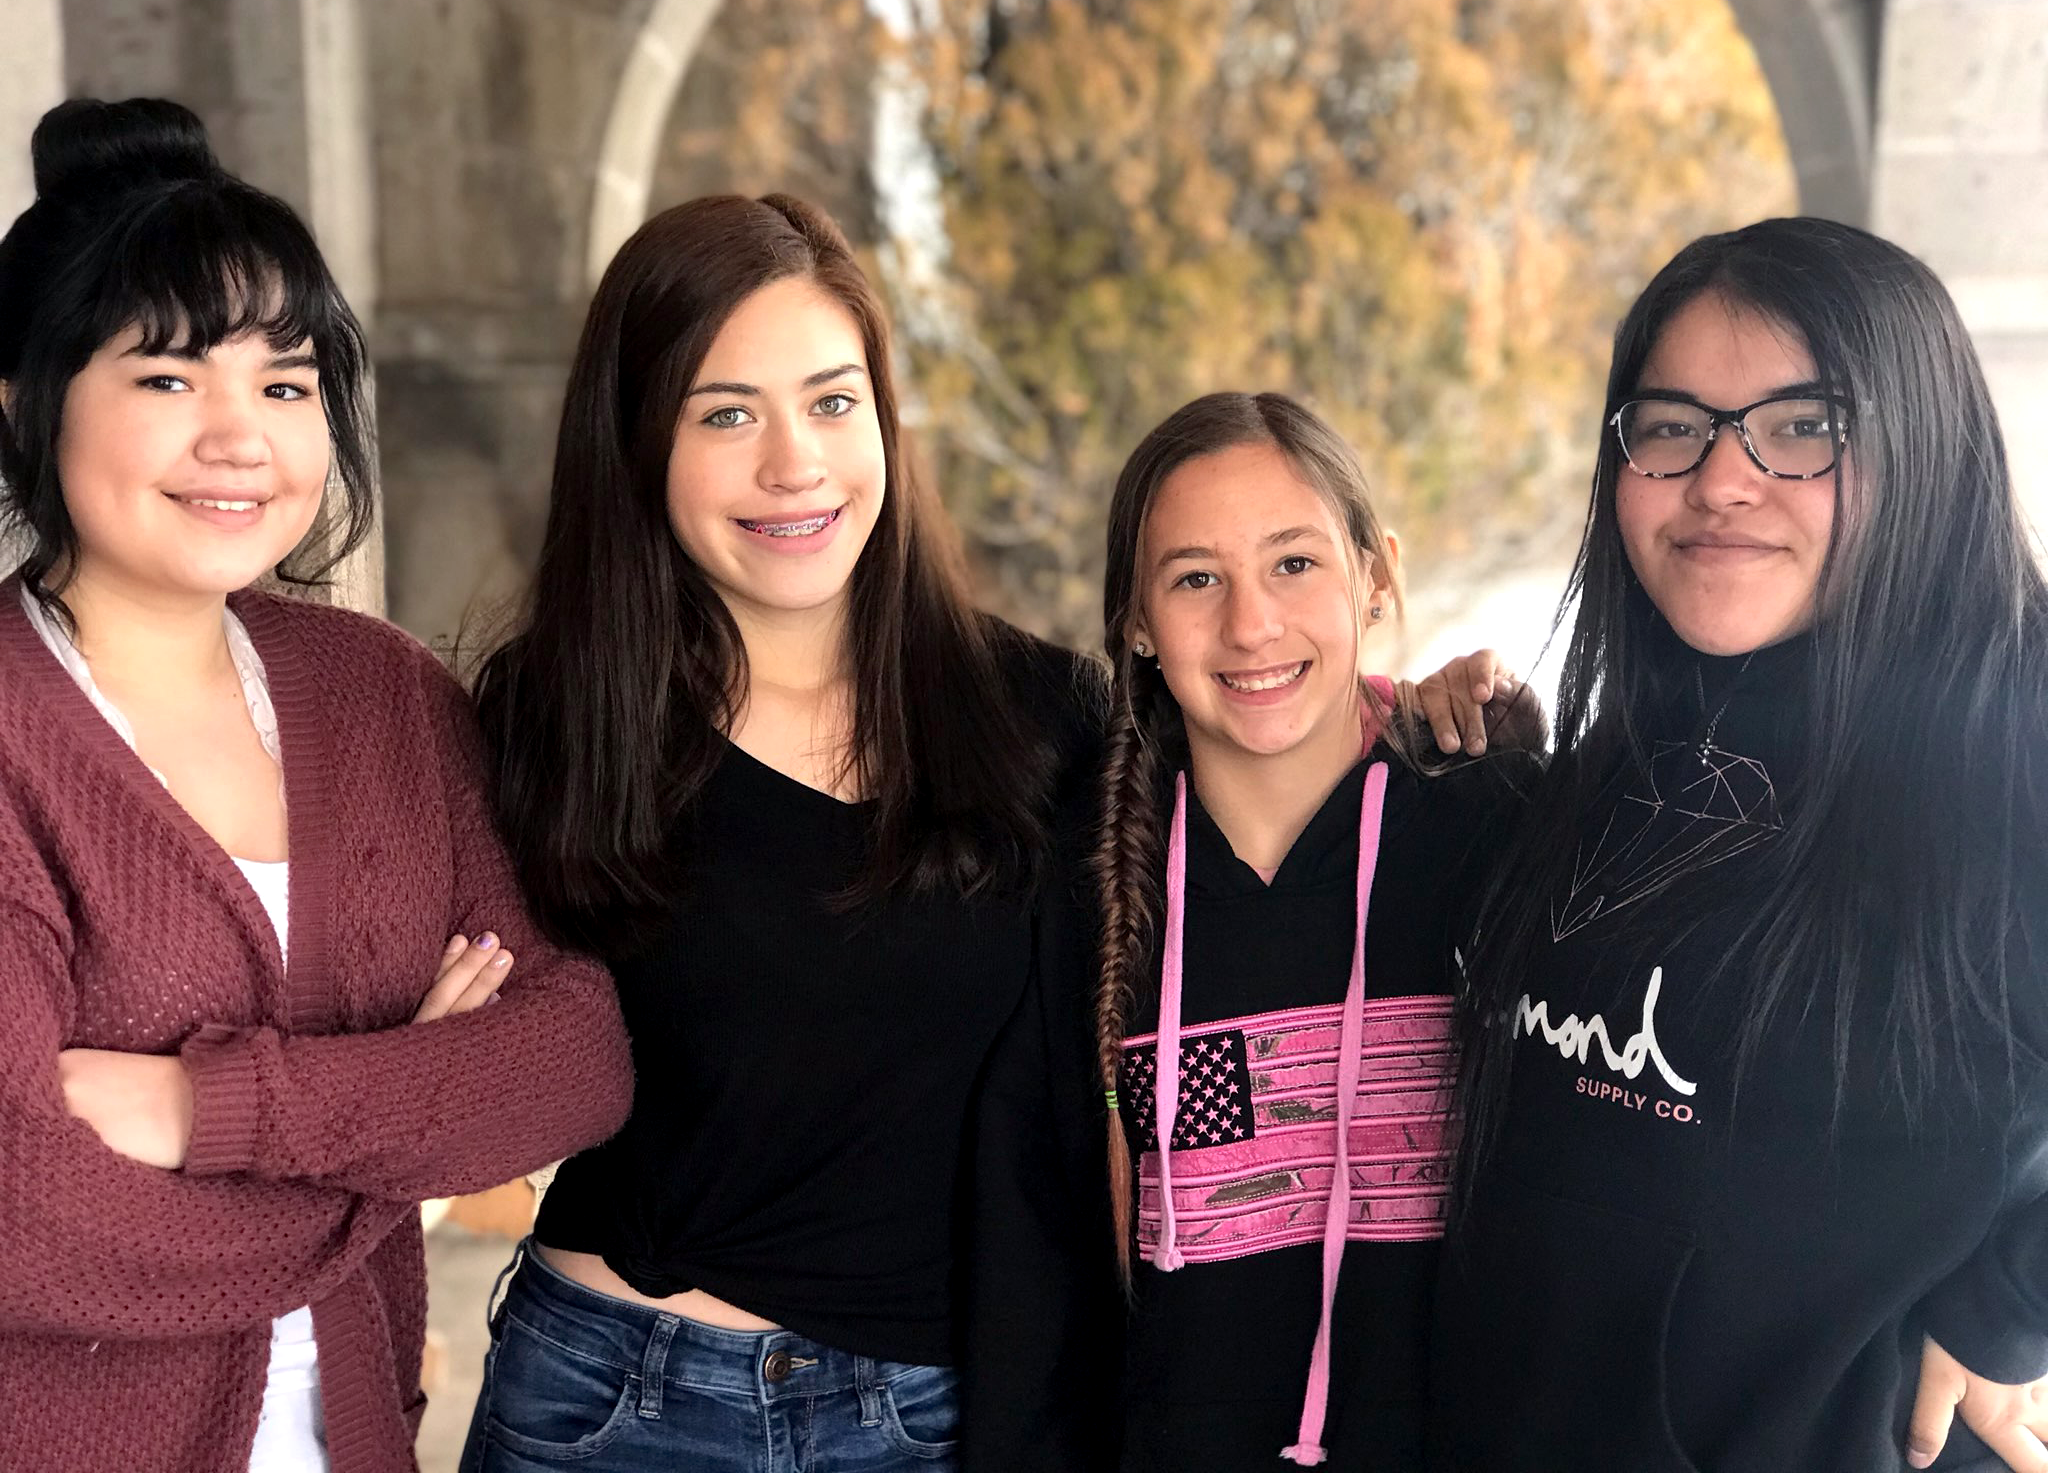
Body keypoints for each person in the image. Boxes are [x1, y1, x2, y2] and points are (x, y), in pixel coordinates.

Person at [0, 97, 634, 1473]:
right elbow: (19, 1211)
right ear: (27, 394)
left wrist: (202, 1114)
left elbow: (577, 1055)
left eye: (285, 384)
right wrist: (396, 1128)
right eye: (169, 379)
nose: (244, 437)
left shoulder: (380, 693)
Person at [459, 193, 1102, 1473]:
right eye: (724, 414)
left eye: (830, 400)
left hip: (927, 1416)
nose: (792, 464)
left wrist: (1410, 715)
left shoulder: (1046, 719)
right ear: (637, 445)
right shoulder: (552, 715)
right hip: (611, 1393)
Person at [1430, 216, 2048, 1473]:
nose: (1720, 479)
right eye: (1668, 426)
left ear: (1921, 444)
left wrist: (2011, 1307)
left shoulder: (2010, 737)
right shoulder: (1630, 747)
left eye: (1802, 425)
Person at [963, 392, 1536, 1472]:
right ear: (1134, 620)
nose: (1249, 625)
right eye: (1193, 580)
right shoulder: (1081, 884)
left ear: (1374, 575)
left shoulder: (1497, 833)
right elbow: (1030, 1278)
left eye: (1292, 564)